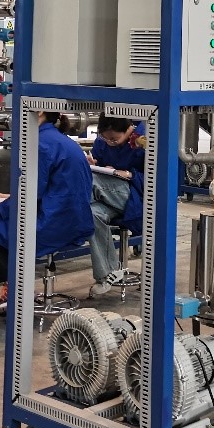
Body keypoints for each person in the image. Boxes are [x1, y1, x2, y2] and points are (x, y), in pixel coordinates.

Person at [0, 111, 93, 315]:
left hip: (52, 223)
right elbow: (48, 189)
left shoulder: (40, 144)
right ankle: (18, 286)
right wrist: (9, 197)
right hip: (74, 221)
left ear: (39, 111)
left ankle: (17, 290)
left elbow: (30, 193)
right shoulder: (61, 141)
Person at [86, 117, 145, 297]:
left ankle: (64, 207)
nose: (110, 143)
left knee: (91, 181)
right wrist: (94, 165)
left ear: (128, 130)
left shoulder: (143, 141)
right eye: (106, 138)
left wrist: (129, 175)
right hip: (108, 198)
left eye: (114, 139)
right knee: (92, 214)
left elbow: (160, 179)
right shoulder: (102, 143)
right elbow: (99, 164)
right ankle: (107, 273)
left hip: (135, 197)